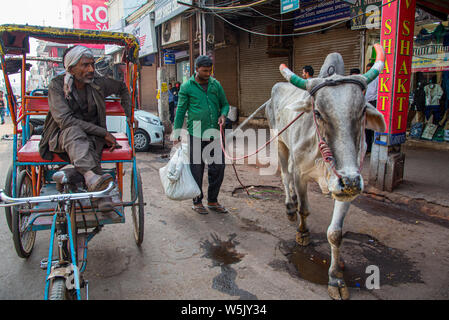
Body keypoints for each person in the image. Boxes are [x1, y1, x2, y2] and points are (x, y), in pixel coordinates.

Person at [39, 45, 135, 211]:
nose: (91, 69)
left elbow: (122, 88)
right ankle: (92, 180)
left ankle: (76, 175)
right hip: (63, 136)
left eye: (92, 64)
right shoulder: (56, 86)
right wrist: (103, 133)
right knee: (74, 132)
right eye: (85, 65)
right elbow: (65, 121)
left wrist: (129, 114)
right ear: (71, 68)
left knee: (88, 142)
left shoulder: (98, 83)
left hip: (92, 139)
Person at [172, 55, 230, 215]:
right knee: (196, 169)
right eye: (204, 71)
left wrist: (223, 115)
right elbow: (181, 110)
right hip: (196, 133)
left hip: (215, 133)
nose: (208, 74)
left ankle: (213, 200)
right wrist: (176, 131)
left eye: (210, 71)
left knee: (218, 168)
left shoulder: (215, 84)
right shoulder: (186, 87)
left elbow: (225, 104)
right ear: (196, 69)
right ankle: (197, 201)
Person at [364, 62, 378, 153]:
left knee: (373, 127)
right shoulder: (364, 79)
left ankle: (373, 147)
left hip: (374, 103)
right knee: (366, 127)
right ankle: (368, 147)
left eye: (370, 70)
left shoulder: (377, 79)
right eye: (367, 70)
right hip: (365, 103)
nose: (368, 72)